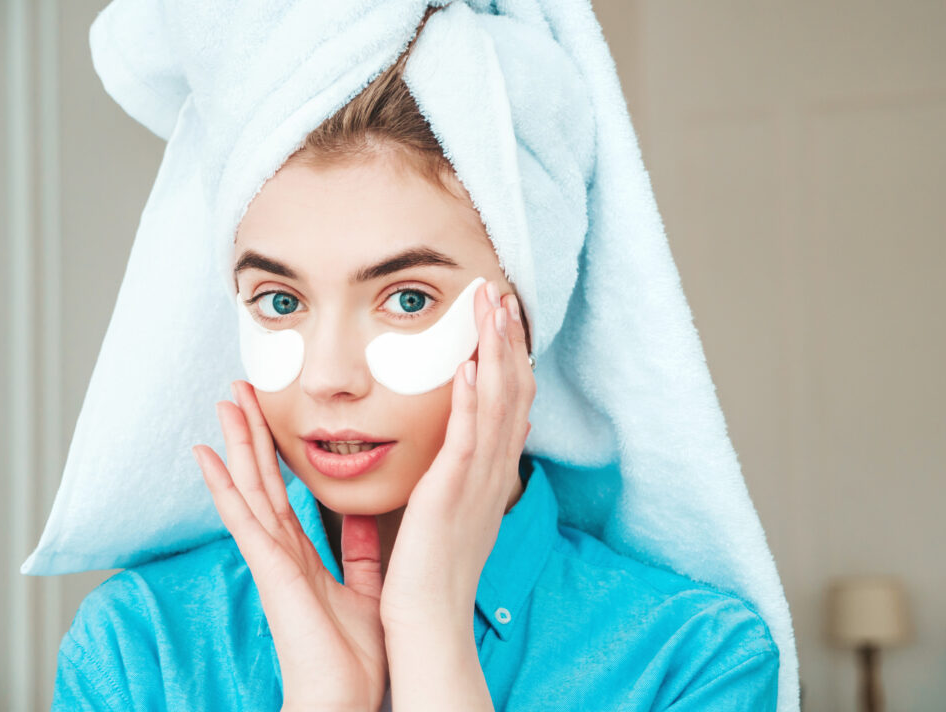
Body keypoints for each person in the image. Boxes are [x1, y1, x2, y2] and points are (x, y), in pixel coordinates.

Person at [48, 3, 790, 711]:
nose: (328, 378)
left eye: (407, 299)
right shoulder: (139, 650)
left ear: (524, 320)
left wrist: (435, 639)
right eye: (281, 301)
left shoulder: (691, 663)